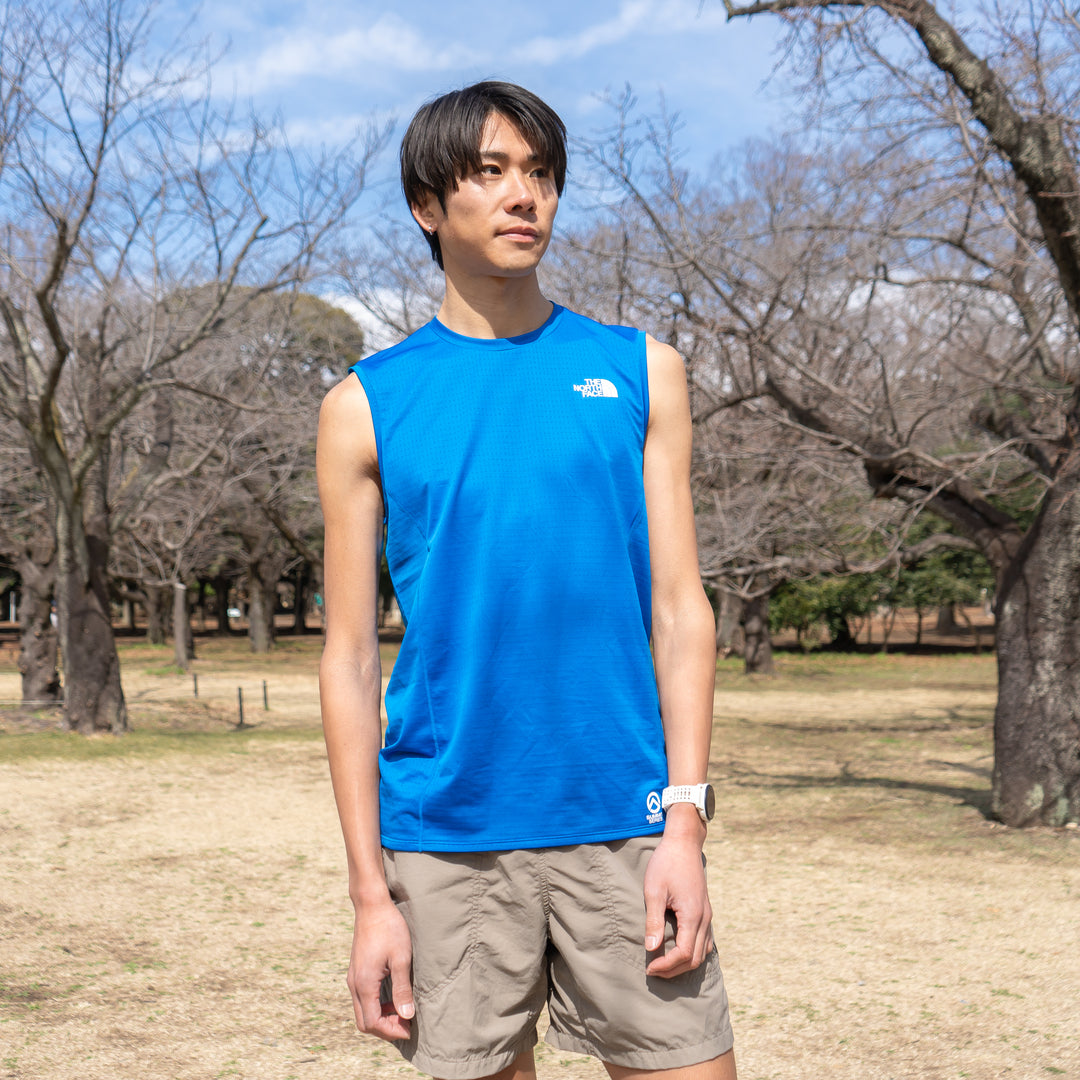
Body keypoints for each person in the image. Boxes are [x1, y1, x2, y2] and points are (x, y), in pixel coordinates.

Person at [316, 81, 736, 1080]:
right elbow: (348, 658)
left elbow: (681, 610)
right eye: (492, 172)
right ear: (428, 205)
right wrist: (370, 895)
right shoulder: (365, 405)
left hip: (626, 827)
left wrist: (685, 822)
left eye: (541, 173)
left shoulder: (643, 372)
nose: (525, 195)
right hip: (448, 841)